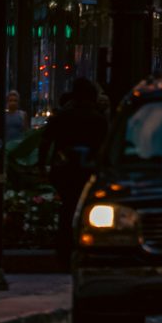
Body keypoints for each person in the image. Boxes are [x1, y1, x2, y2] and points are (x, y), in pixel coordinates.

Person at [47, 77, 110, 265]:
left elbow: (47, 140)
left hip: (65, 170)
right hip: (88, 171)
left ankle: (64, 249)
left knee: (67, 209)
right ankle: (85, 247)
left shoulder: (63, 116)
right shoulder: (98, 119)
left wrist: (44, 164)